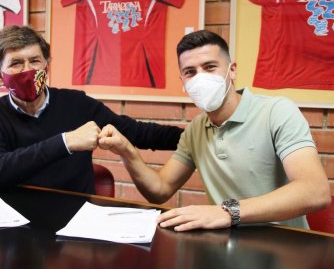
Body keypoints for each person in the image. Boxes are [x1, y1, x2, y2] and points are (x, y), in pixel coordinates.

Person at [98, 30, 331, 230]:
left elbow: (315, 191)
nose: (200, 78)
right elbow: (159, 190)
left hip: (285, 247)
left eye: (210, 67)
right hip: (227, 244)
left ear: (232, 70)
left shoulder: (277, 111)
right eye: (190, 72)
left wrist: (227, 212)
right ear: (183, 81)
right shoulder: (195, 130)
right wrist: (127, 152)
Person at [0, 25, 183, 193]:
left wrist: (194, 138)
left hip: (76, 221)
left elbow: (138, 133)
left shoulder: (77, 104)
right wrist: (66, 142)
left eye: (35, 61)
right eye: (16, 63)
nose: (28, 70)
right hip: (15, 225)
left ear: (46, 66)